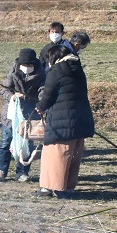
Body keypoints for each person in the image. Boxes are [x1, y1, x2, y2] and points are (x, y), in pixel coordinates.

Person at [35, 31, 95, 198]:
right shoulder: (76, 67)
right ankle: (68, 187)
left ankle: (51, 187)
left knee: (56, 155)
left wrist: (40, 107)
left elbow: (48, 95)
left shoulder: (56, 70)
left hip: (61, 121)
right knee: (73, 155)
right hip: (80, 119)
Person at [0, 47, 44, 181]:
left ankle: (22, 172)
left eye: (29, 64)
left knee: (27, 144)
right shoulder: (13, 72)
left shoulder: (41, 74)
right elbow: (5, 90)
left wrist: (39, 100)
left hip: (29, 114)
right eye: (24, 64)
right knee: (5, 142)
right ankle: (1, 171)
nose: (27, 67)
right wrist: (13, 96)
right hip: (11, 114)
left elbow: (43, 90)